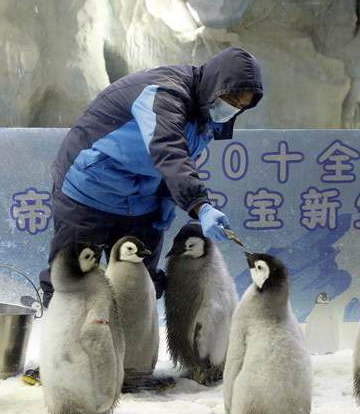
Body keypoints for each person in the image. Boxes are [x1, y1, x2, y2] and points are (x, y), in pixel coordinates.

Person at [38, 47, 263, 308]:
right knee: (72, 284)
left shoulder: (207, 114)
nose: (233, 109)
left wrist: (165, 203)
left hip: (141, 202)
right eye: (231, 99)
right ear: (215, 84)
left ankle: (129, 348)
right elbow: (168, 149)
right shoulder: (164, 93)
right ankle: (64, 346)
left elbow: (176, 162)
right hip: (90, 190)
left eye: (240, 106)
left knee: (137, 290)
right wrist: (200, 205)